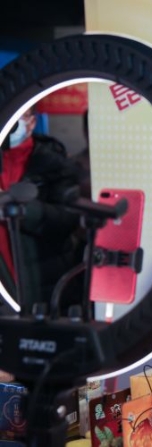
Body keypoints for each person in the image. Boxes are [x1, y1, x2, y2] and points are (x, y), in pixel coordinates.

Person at [0, 107, 84, 317]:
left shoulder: (54, 163)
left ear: (31, 123)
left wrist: (18, 208)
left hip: (41, 284)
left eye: (18, 117)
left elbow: (66, 220)